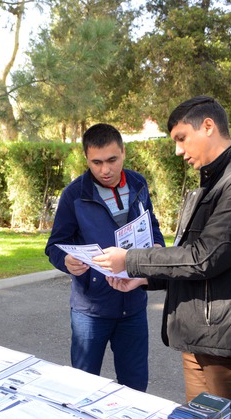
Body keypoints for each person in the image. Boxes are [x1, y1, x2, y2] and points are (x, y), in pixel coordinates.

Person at [93, 96, 231, 418]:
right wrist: (145, 276)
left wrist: (131, 260)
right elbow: (199, 259)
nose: (178, 150)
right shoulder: (216, 181)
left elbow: (205, 257)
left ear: (208, 126)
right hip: (204, 336)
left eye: (181, 138)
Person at [45, 123, 165, 392]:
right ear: (86, 158)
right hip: (91, 310)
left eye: (112, 160)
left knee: (135, 389)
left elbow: (152, 224)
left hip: (133, 305)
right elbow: (54, 245)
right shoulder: (73, 195)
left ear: (123, 152)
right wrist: (65, 261)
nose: (105, 170)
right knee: (83, 388)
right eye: (96, 162)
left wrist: (157, 246)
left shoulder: (138, 183)